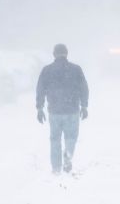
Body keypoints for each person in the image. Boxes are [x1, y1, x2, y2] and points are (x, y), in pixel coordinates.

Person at [36, 43, 89, 174]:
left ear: (54, 54)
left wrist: (40, 108)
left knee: (55, 139)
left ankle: (56, 168)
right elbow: (84, 88)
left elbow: (40, 90)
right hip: (72, 110)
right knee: (71, 137)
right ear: (67, 54)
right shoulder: (76, 69)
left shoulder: (47, 70)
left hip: (54, 111)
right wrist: (84, 106)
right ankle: (68, 157)